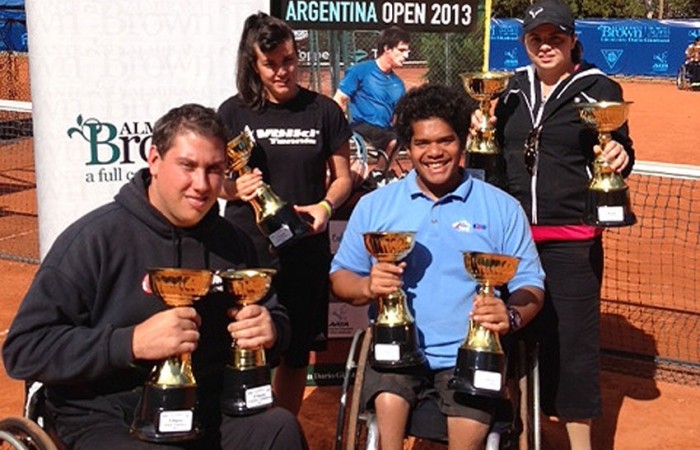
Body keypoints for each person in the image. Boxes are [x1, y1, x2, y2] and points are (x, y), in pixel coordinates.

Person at [2, 104, 307, 450]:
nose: (202, 184)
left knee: (279, 430)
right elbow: (25, 349)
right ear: (154, 160)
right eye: (187, 166)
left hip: (204, 409)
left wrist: (271, 329)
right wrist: (130, 343)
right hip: (106, 415)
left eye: (214, 169)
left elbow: (276, 315)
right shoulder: (94, 239)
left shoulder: (234, 243)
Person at [330, 84, 545, 450]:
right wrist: (368, 287)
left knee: (469, 433)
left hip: (471, 355)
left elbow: (531, 284)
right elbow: (341, 278)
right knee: (387, 400)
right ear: (408, 147)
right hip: (395, 351)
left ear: (462, 141)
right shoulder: (375, 205)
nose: (433, 152)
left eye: (445, 140)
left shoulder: (502, 207)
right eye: (421, 143)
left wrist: (509, 315)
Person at [472, 1, 635, 449]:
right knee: (508, 337)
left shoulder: (598, 87)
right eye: (536, 38)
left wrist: (620, 155)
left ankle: (578, 443)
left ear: (571, 39)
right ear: (525, 41)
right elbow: (488, 160)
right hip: (508, 240)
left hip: (571, 242)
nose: (546, 46)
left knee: (572, 346)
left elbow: (619, 146)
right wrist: (476, 132)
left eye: (555, 38)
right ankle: (520, 435)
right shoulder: (507, 90)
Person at [218, 12, 353, 415]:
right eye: (270, 63)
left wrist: (326, 207)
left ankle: (283, 432)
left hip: (305, 248)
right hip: (247, 253)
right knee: (247, 345)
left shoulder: (324, 111)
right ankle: (247, 429)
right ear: (253, 63)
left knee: (295, 354)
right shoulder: (231, 113)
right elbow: (212, 182)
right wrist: (233, 188)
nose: (282, 71)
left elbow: (342, 177)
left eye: (289, 60)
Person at [333, 26, 411, 187]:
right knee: (394, 138)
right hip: (360, 127)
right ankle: (377, 175)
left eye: (407, 51)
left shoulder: (398, 84)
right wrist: (336, 130)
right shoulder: (360, 71)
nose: (406, 55)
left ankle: (390, 175)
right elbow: (339, 100)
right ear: (387, 49)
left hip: (384, 130)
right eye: (402, 50)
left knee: (404, 134)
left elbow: (398, 117)